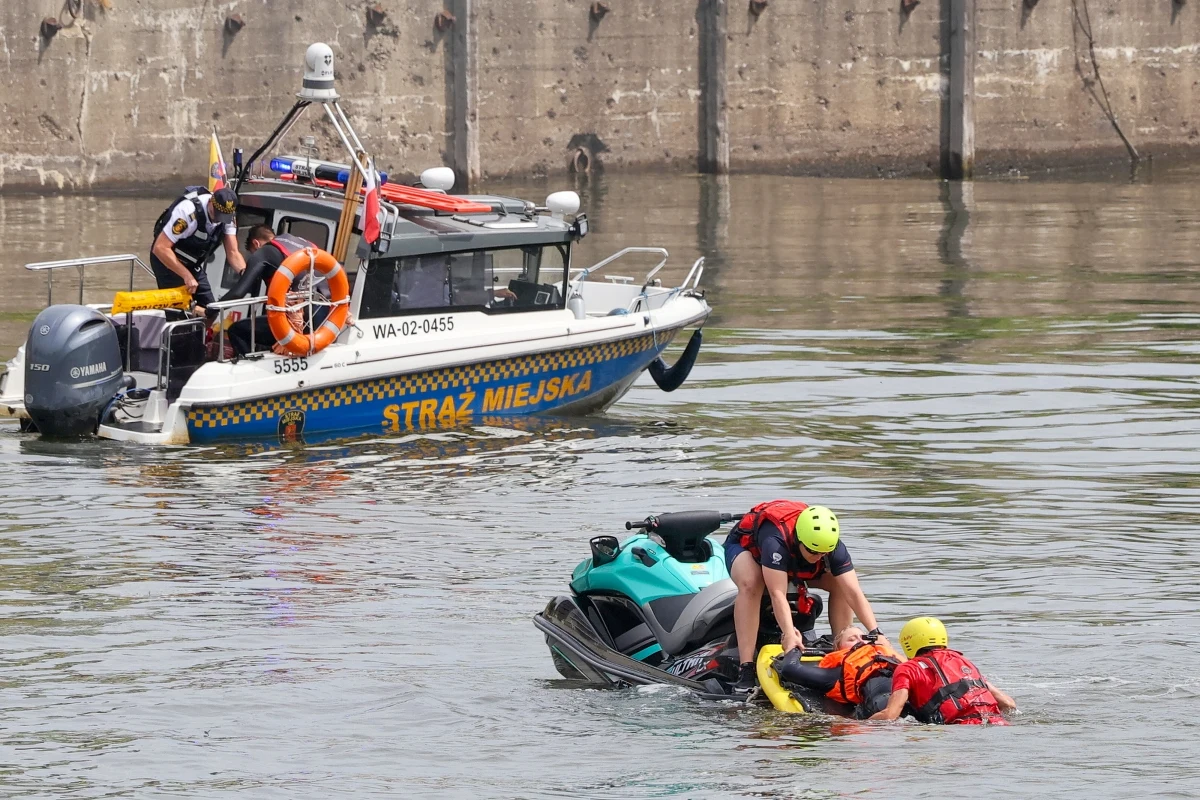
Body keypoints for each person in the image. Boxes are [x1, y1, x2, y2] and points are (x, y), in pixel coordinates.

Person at [724, 500, 882, 693]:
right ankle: (746, 668)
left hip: (794, 561)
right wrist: (789, 634)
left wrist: (876, 633)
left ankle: (841, 652)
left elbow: (854, 593)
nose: (818, 556)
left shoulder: (832, 547)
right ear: (800, 540)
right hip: (747, 551)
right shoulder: (776, 541)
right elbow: (777, 594)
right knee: (751, 583)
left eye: (823, 553)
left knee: (840, 584)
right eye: (813, 551)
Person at [870, 617, 1017, 725]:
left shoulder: (908, 668)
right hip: (998, 723)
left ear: (908, 642)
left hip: (959, 729)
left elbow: (890, 714)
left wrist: (858, 725)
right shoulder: (962, 660)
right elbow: (1009, 704)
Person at [218, 226, 318, 357]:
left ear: (256, 243)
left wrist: (211, 310)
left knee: (236, 330)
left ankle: (251, 371)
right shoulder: (303, 245)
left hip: (295, 323)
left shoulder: (264, 252)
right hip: (320, 320)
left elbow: (238, 293)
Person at [150, 185, 246, 312]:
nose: (219, 219)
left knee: (211, 309)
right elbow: (160, 248)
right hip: (167, 259)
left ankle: (204, 331)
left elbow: (233, 252)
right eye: (217, 214)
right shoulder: (188, 212)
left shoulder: (227, 217)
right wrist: (187, 276)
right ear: (211, 201)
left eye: (223, 216)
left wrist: (245, 273)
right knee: (178, 310)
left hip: (192, 263)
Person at [774, 626, 905, 718]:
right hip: (886, 707)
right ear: (839, 650)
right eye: (851, 639)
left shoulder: (890, 656)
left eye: (863, 637)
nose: (860, 642)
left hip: (912, 699)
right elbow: (790, 669)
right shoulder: (840, 673)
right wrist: (792, 647)